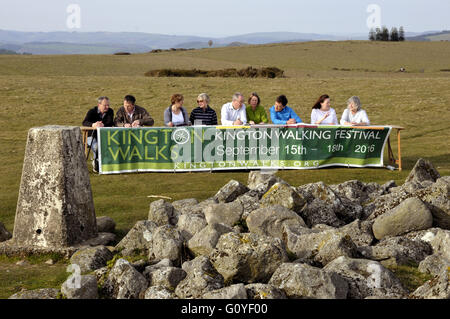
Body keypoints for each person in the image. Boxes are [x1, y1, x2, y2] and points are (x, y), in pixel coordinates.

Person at [82, 96, 114, 172]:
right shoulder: (91, 112)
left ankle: (100, 163)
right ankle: (97, 162)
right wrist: (93, 124)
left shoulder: (110, 111)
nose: (107, 107)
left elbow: (110, 123)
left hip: (104, 136)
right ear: (99, 105)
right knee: (96, 146)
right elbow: (84, 122)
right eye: (105, 105)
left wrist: (102, 125)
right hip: (91, 135)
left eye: (108, 105)